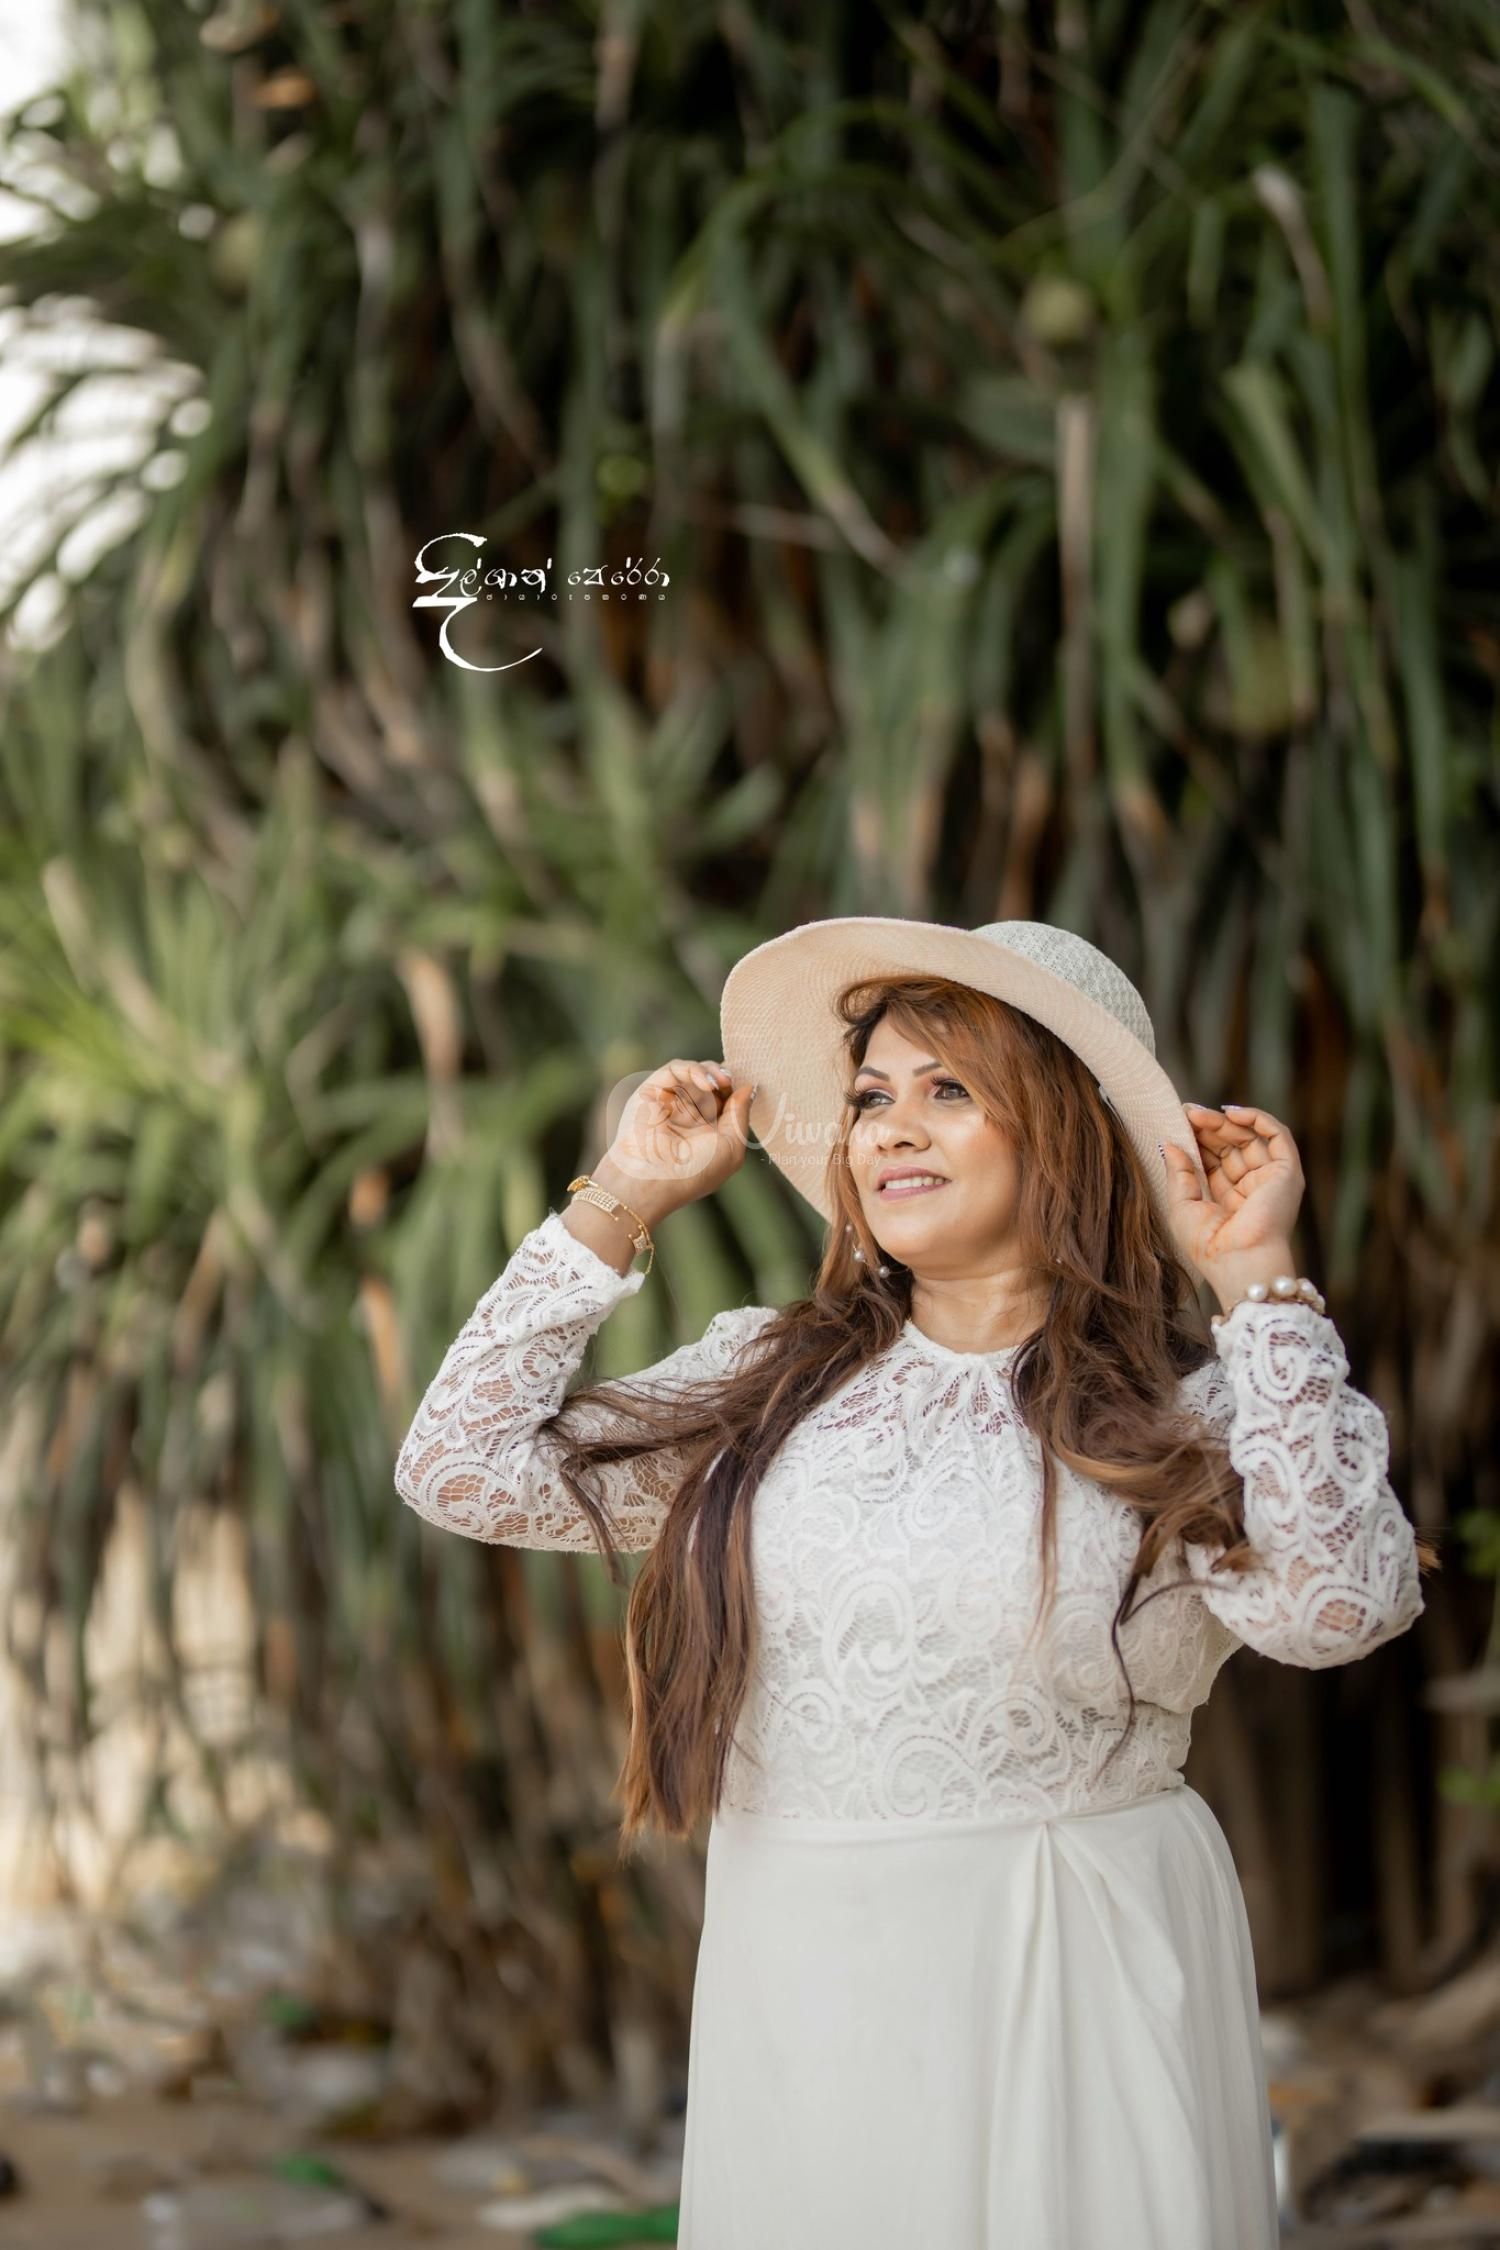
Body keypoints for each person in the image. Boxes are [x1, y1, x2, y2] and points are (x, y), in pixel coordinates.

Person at [393, 916, 1432, 2250]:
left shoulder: (1188, 1409)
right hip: (802, 1966)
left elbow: (1343, 1604)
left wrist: (1258, 1283)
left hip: (1067, 1961)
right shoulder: (768, 1379)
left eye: (950, 1091)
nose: (892, 1129)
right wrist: (623, 1195)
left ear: (1067, 1129)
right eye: (872, 1097)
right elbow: (459, 1468)